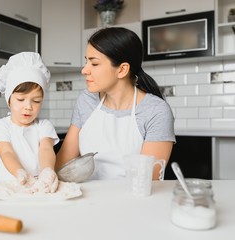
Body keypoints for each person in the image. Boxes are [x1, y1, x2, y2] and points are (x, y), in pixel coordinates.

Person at [56, 27, 175, 180]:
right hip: (86, 199)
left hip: (131, 201)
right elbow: (63, 160)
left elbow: (146, 180)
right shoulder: (87, 100)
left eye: (94, 64)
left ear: (122, 70)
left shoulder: (156, 111)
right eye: (86, 62)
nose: (84, 70)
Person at [0, 52, 59, 193]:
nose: (28, 106)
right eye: (21, 100)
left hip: (38, 189)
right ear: (9, 99)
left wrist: (46, 172)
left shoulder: (44, 126)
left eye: (36, 101)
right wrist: (21, 173)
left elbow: (46, 149)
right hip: (8, 190)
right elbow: (6, 152)